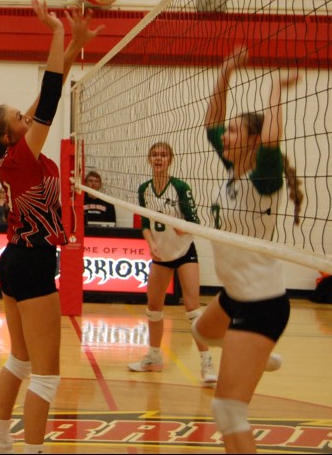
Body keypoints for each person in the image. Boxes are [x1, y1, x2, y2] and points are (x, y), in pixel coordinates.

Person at [0, 0, 99, 455]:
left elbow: (50, 93)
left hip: (14, 262)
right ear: (11, 133)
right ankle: (30, 450)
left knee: (20, 359)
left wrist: (73, 47)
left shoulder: (7, 150)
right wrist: (54, 32)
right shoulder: (23, 155)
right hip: (30, 264)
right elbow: (48, 98)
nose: (25, 117)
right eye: (18, 116)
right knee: (46, 375)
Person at [192, 46, 301, 453]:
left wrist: (276, 89)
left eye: (236, 132)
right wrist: (224, 73)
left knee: (227, 412)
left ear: (253, 141)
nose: (226, 136)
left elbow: (273, 136)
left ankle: (256, 349)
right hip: (234, 296)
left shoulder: (263, 180)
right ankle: (258, 356)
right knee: (201, 330)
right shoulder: (233, 173)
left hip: (261, 304)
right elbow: (211, 122)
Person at [128, 142, 216, 384]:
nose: (159, 158)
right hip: (161, 255)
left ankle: (207, 363)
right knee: (153, 306)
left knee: (192, 307)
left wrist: (182, 226)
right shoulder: (144, 189)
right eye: (154, 154)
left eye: (163, 155)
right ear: (149, 159)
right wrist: (151, 244)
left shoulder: (180, 187)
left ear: (170, 160)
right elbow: (145, 224)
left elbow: (195, 221)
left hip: (184, 251)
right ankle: (154, 357)